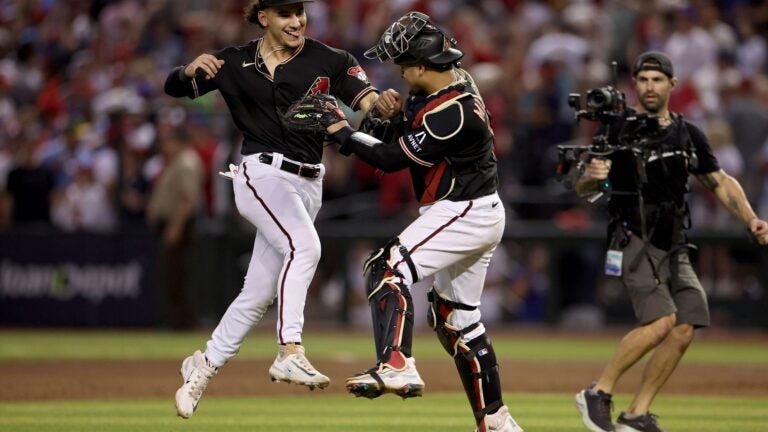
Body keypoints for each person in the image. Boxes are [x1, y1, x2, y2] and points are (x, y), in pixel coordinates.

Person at [164, 0, 378, 419]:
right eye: (285, 13)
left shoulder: (327, 58)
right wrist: (188, 70)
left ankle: (201, 367)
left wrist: (382, 108)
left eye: (299, 11)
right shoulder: (233, 61)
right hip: (261, 173)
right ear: (264, 18)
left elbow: (365, 98)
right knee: (306, 247)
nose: (296, 20)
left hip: (309, 182)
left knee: (257, 293)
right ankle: (290, 349)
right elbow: (173, 87)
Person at [317, 12, 524, 432]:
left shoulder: (454, 111)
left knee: (384, 268)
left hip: (463, 209)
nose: (400, 71)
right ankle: (498, 423)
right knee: (457, 321)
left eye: (403, 64)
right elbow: (408, 131)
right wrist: (392, 118)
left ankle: (397, 363)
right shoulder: (449, 81)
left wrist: (341, 130)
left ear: (421, 66)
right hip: (471, 209)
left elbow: (391, 159)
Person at [571, 51, 768, 432]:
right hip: (633, 237)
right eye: (643, 80)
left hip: (673, 241)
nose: (649, 87)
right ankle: (597, 391)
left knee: (687, 321)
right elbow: (583, 186)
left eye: (657, 80)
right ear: (634, 85)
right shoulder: (617, 129)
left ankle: (636, 414)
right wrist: (594, 175)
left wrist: (751, 219)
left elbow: (720, 181)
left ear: (672, 85)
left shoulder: (687, 133)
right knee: (662, 321)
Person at [146, 128, 204, 330]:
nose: (164, 145)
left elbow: (188, 200)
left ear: (179, 142)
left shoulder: (186, 161)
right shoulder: (176, 161)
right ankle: (177, 321)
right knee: (172, 274)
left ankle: (183, 323)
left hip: (179, 225)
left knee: (176, 274)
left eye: (168, 141)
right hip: (172, 224)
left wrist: (176, 227)